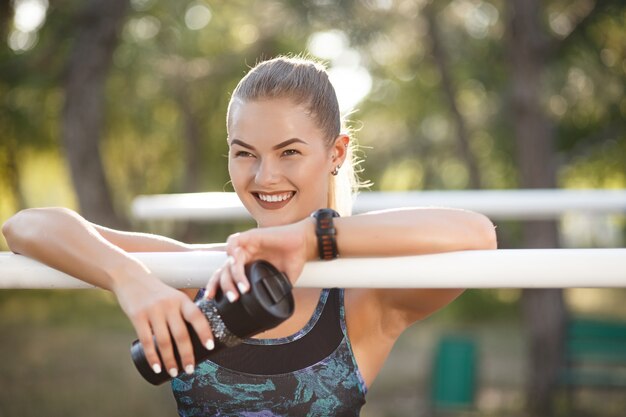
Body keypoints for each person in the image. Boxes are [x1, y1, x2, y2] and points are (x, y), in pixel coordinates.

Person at [2, 55, 497, 416]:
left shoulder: (363, 299)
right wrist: (131, 281)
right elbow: (25, 226)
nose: (264, 177)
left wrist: (312, 240)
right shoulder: (195, 272)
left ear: (337, 153)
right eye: (244, 153)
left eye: (289, 152)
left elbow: (477, 235)